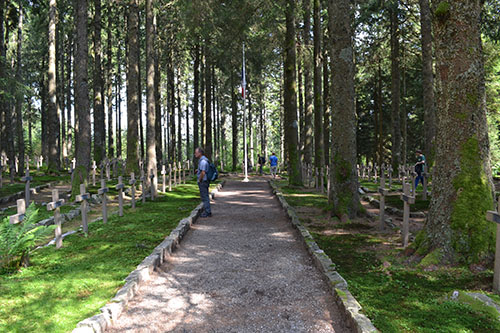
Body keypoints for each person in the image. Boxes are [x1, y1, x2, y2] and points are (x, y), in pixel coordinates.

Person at [194, 147, 211, 218]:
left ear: (200, 153)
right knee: (204, 196)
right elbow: (202, 171)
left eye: (196, 152)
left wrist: (199, 180)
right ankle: (207, 211)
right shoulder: (202, 160)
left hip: (203, 181)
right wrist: (198, 171)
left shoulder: (203, 161)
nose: (195, 154)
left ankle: (207, 212)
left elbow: (203, 172)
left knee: (205, 197)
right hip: (204, 181)